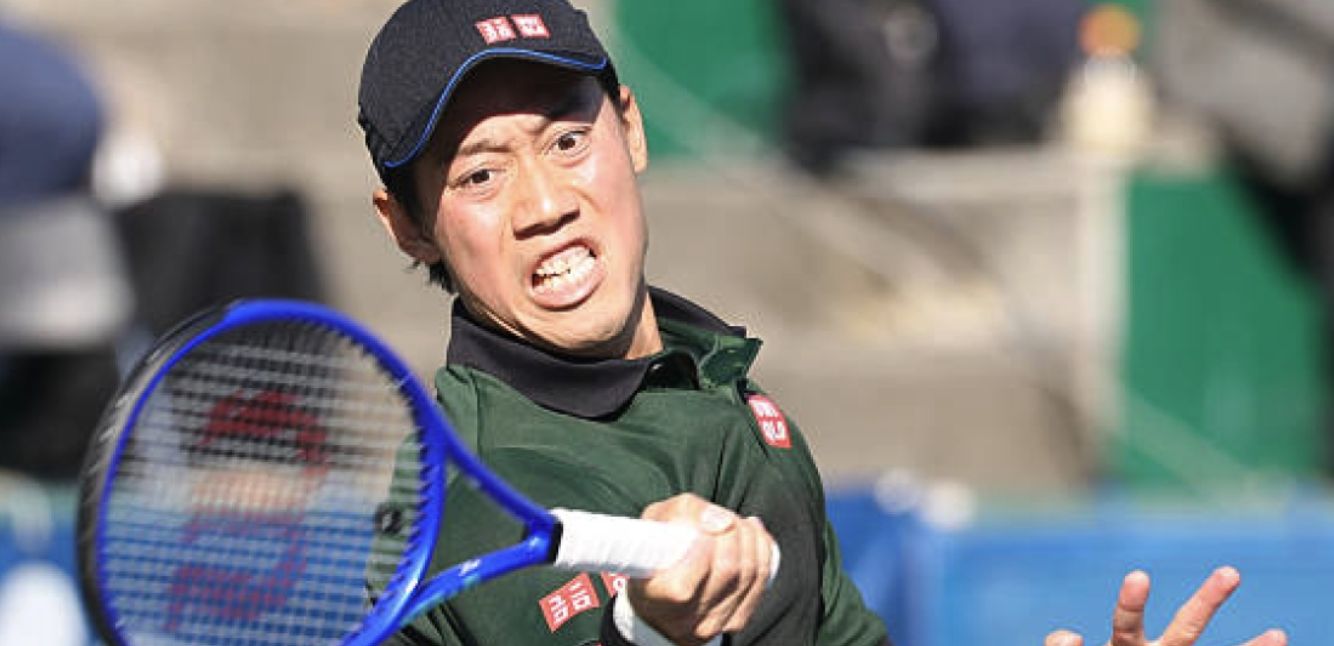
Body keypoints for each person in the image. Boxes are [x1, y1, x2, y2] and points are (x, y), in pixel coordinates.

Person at [355, 1, 1288, 644]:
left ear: (631, 129)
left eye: (568, 140)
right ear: (407, 224)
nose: (544, 203)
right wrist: (650, 631)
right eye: (480, 173)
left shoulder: (739, 402)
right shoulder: (460, 496)